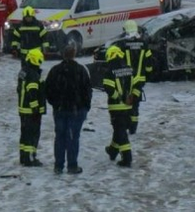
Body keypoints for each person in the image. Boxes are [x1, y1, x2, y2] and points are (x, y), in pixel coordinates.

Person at [45, 45, 92, 174]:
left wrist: (55, 103)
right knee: (72, 137)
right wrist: (85, 106)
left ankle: (58, 166)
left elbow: (47, 89)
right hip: (76, 110)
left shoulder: (55, 70)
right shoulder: (80, 70)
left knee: (59, 137)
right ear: (74, 54)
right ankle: (72, 165)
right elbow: (87, 91)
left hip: (60, 109)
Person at [114, 20, 154, 134]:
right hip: (139, 79)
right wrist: (148, 74)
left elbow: (118, 61)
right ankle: (133, 127)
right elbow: (149, 62)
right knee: (135, 104)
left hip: (126, 79)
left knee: (126, 101)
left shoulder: (122, 44)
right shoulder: (143, 44)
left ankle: (125, 124)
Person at [102, 45, 135, 167]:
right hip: (128, 106)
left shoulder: (110, 69)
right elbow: (134, 85)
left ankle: (127, 158)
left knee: (120, 131)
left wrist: (119, 97)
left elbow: (109, 88)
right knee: (119, 129)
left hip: (116, 107)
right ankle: (112, 150)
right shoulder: (128, 67)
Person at [17, 48, 47, 166]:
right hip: (31, 111)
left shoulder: (23, 71)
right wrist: (35, 108)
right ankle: (30, 158)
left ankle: (23, 156)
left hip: (23, 108)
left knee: (24, 134)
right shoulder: (33, 74)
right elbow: (32, 92)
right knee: (32, 134)